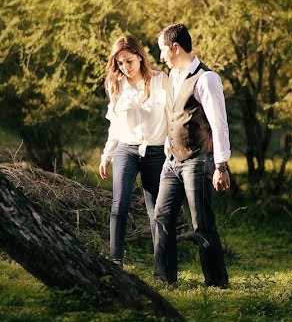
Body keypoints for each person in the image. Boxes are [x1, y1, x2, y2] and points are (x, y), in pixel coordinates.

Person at [152, 23, 230, 288]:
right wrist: (166, 143)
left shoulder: (207, 79)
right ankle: (164, 280)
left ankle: (217, 283)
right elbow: (174, 115)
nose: (161, 56)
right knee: (161, 216)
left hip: (198, 160)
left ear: (175, 47)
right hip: (172, 161)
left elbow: (219, 124)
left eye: (163, 50)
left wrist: (221, 165)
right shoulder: (173, 76)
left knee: (202, 224)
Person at [98, 34, 170, 268]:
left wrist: (171, 148)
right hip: (126, 150)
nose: (125, 67)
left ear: (140, 57)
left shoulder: (161, 80)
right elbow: (115, 124)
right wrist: (107, 155)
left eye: (129, 61)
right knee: (119, 205)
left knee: (156, 210)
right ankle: (116, 261)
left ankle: (162, 268)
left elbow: (172, 118)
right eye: (120, 63)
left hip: (157, 152)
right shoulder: (114, 84)